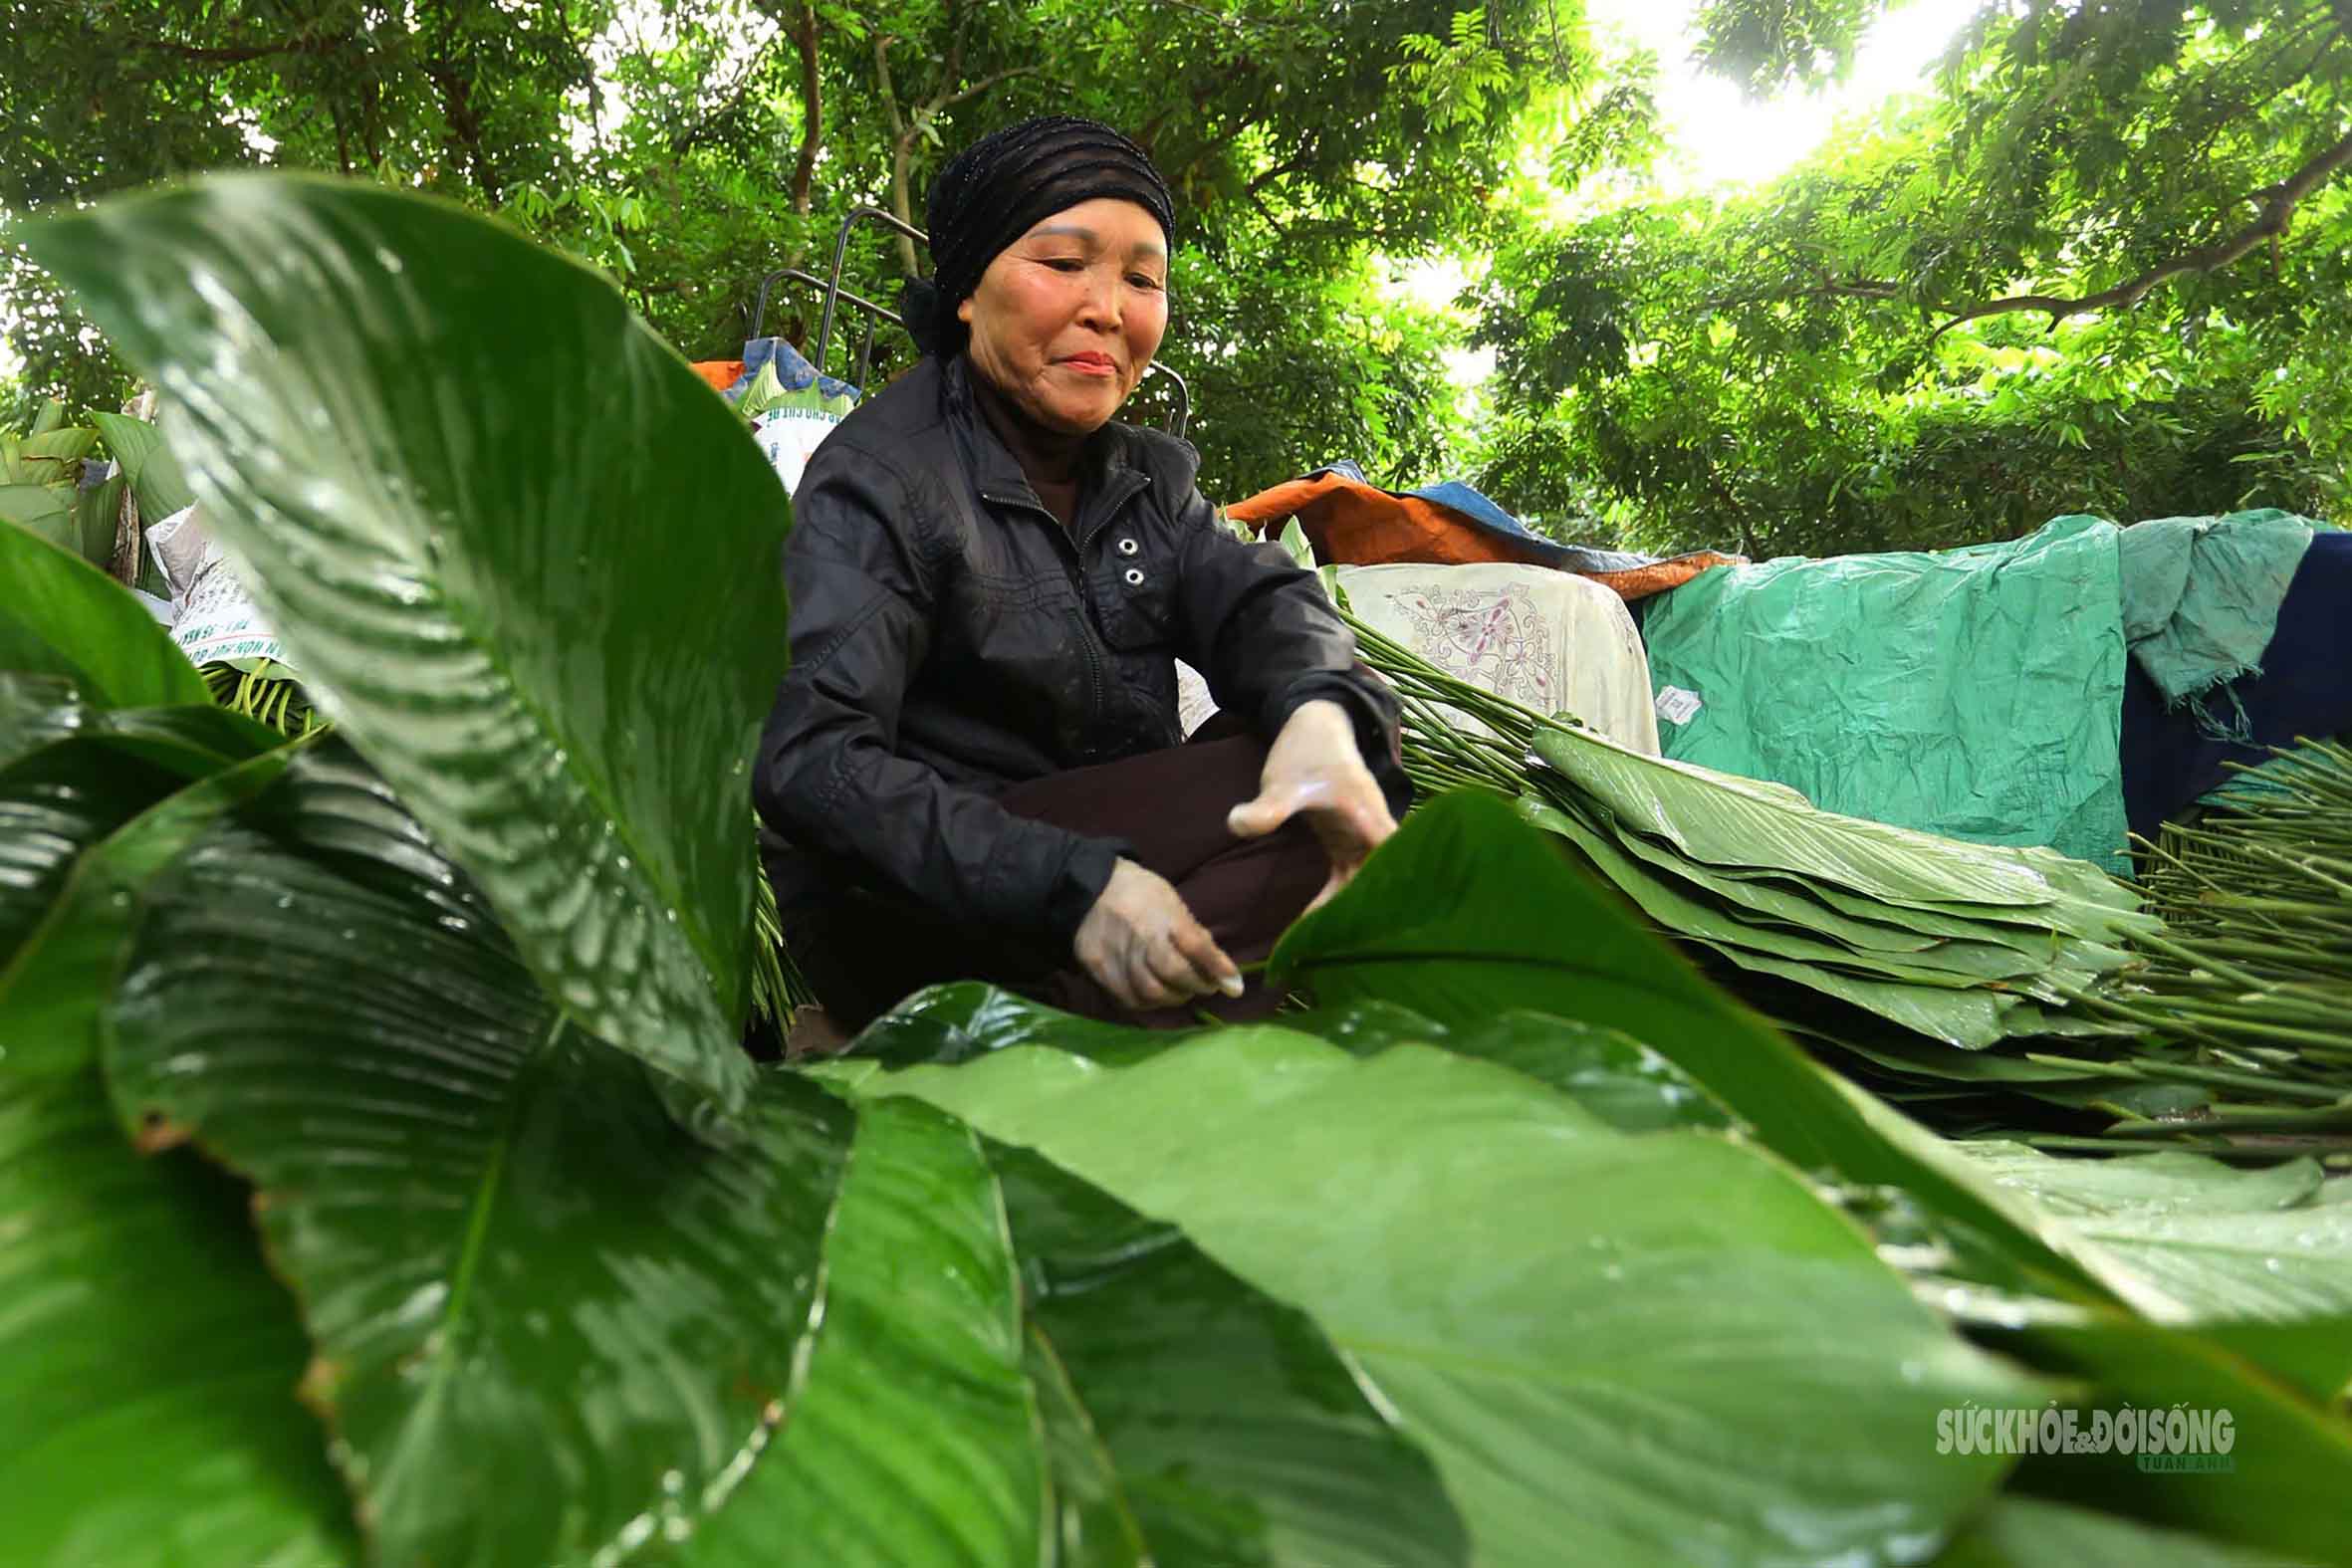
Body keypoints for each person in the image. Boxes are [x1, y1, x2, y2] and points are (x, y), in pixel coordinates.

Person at [754, 114, 1408, 1047]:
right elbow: (813, 762)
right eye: (1065, 264)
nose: (1109, 306)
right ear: (969, 292)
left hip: (1103, 844)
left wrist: (1320, 714)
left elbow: (1261, 596)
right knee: (1286, 817)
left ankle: (1097, 1025)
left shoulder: (1150, 478)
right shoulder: (883, 477)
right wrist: (1076, 885)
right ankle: (1058, 1038)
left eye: (1142, 279)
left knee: (1331, 766)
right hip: (921, 899)